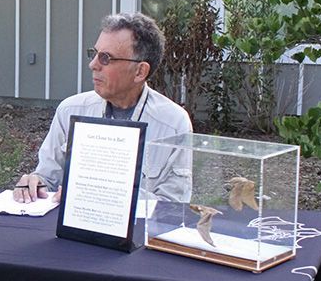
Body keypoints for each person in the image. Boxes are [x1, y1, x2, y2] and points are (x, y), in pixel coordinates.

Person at [14, 12, 192, 204]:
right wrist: (34, 183)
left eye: (105, 58)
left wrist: (102, 196)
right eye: (94, 54)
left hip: (138, 233)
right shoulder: (70, 110)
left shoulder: (173, 124)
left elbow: (173, 206)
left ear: (140, 71)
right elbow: (48, 178)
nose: (92, 65)